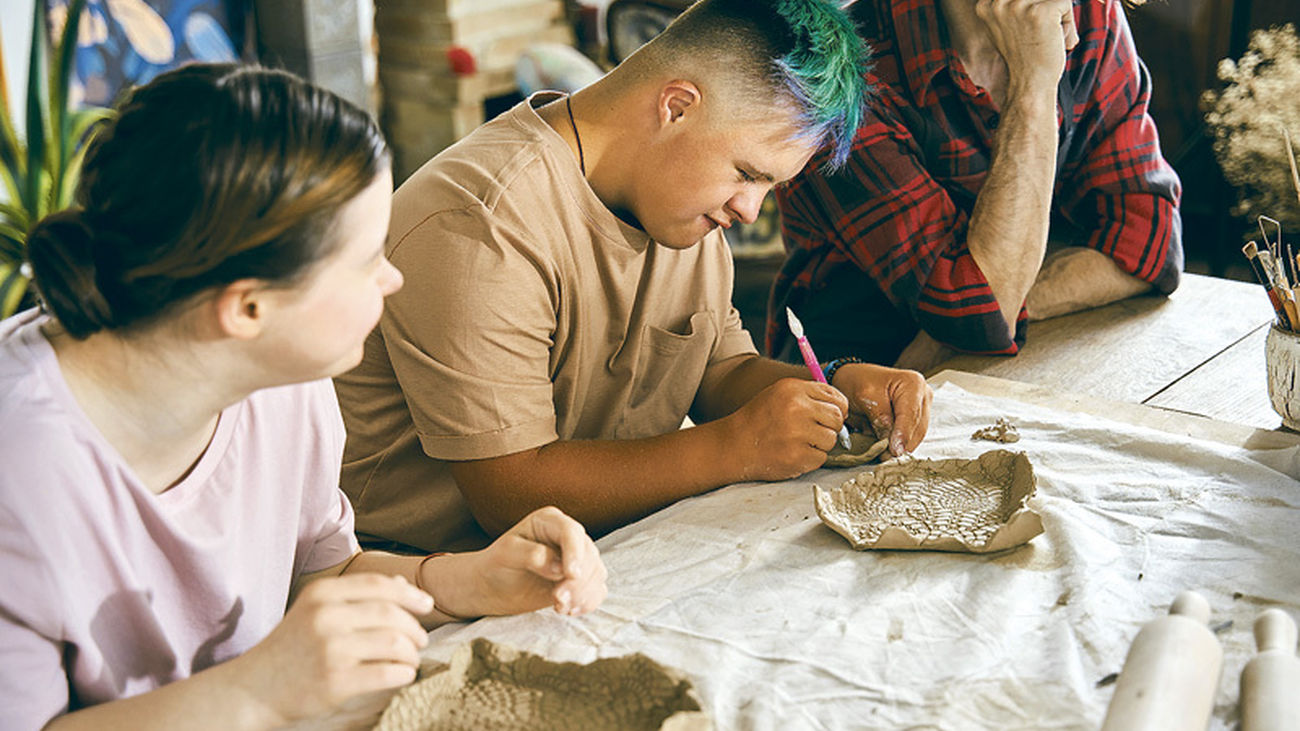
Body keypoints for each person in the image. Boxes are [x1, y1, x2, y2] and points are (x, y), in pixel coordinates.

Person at [0, 64, 607, 731]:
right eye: (366, 258)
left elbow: (321, 570)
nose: (394, 276)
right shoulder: (21, 468)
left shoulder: (288, 376)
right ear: (248, 306)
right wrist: (257, 693)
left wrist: (464, 580)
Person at [335, 0, 933, 555]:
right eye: (747, 174)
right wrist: (733, 447)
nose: (751, 210)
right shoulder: (481, 224)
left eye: (769, 186)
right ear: (676, 106)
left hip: (595, 548)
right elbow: (510, 494)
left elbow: (719, 370)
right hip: (421, 578)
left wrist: (837, 391)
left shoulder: (680, 210)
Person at [767, 0, 1183, 370]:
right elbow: (980, 311)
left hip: (1016, 356)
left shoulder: (1090, 15)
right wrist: (1033, 88)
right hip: (853, 388)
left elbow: (1149, 245)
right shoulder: (836, 68)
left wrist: (985, 314)